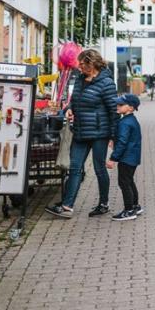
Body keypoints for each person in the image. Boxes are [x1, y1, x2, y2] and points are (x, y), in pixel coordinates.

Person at [45, 49, 117, 218]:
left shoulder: (106, 83)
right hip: (80, 131)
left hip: (100, 133)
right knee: (75, 168)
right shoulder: (79, 79)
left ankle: (103, 204)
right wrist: (69, 109)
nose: (80, 67)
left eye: (83, 64)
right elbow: (75, 101)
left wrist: (114, 136)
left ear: (92, 63)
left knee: (99, 169)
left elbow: (114, 111)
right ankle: (67, 206)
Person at [106, 93, 143, 221]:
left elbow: (122, 142)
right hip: (132, 157)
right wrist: (113, 139)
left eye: (121, 105)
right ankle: (135, 206)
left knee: (124, 183)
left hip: (126, 157)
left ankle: (129, 210)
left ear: (131, 108)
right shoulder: (130, 120)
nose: (118, 106)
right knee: (129, 181)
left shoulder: (125, 123)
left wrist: (113, 158)